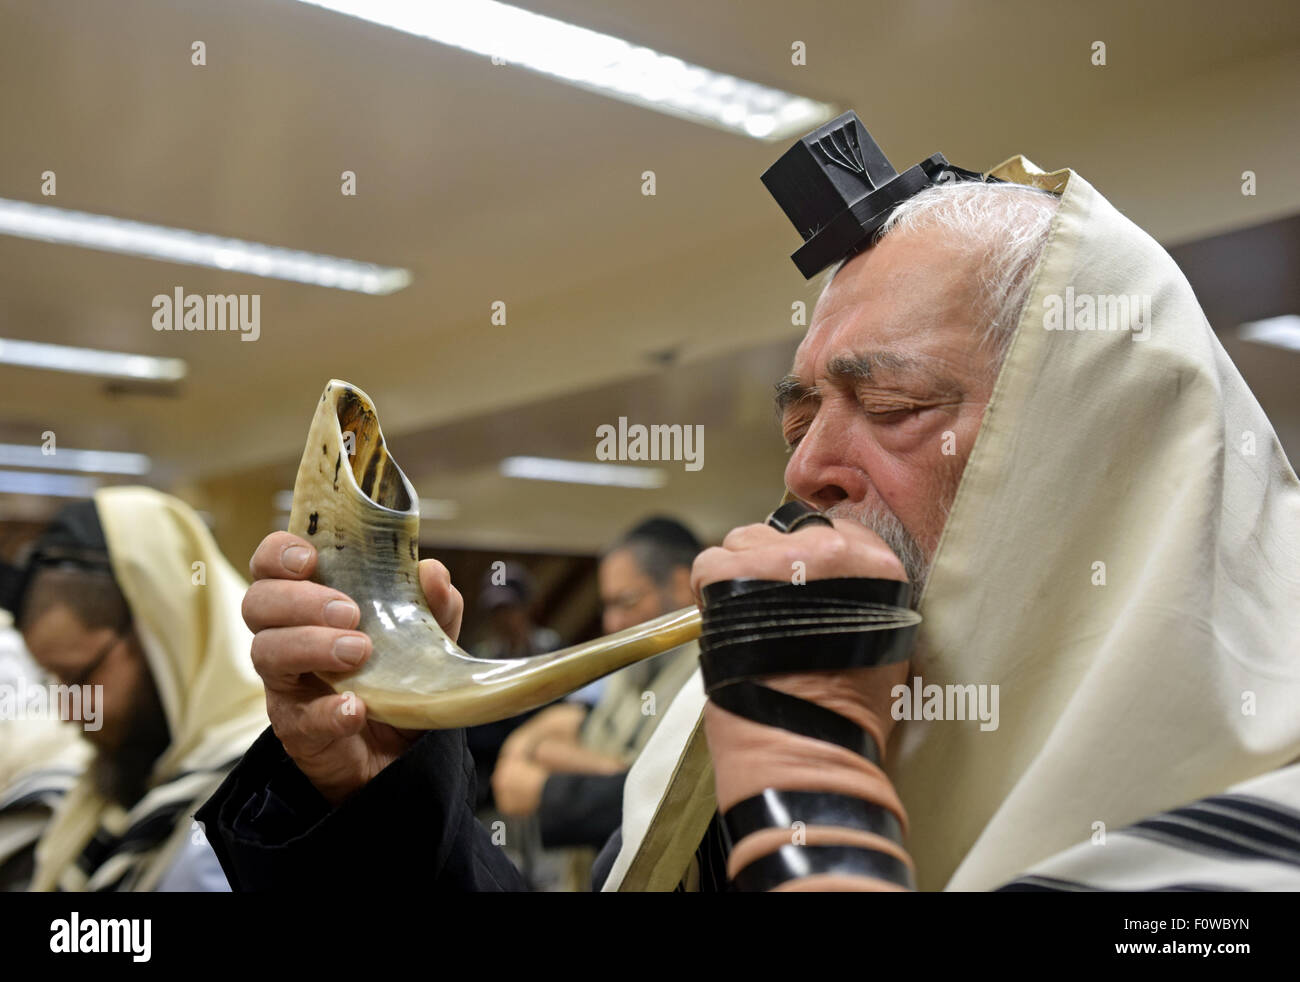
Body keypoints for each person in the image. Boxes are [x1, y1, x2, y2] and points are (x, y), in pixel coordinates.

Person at [197, 138, 1300, 892]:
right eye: (800, 413)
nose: (810, 467)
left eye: (896, 405)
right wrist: (376, 792)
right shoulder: (695, 737)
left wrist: (804, 782)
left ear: (1088, 447)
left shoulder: (1258, 828)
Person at [2, 489, 266, 891]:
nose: (70, 709)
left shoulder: (260, 790)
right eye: (53, 680)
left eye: (78, 678)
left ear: (163, 637)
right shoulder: (126, 776)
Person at [490, 518, 701, 884]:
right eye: (607, 605)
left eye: (627, 601)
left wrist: (549, 789)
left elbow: (677, 799)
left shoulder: (710, 674)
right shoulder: (631, 666)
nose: (613, 622)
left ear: (682, 585)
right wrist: (611, 769)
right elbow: (556, 727)